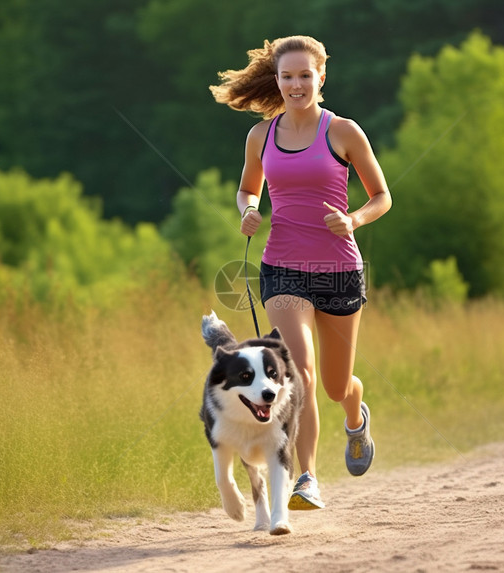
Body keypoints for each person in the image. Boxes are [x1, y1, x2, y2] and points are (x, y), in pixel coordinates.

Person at [210, 35, 392, 510]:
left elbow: (381, 197)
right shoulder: (260, 136)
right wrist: (248, 209)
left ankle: (355, 415)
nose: (296, 84)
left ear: (321, 78)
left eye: (304, 75)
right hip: (282, 267)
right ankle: (306, 477)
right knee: (303, 376)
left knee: (336, 386)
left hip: (339, 272)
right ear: (277, 80)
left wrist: (353, 219)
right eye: (287, 76)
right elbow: (248, 189)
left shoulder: (344, 132)